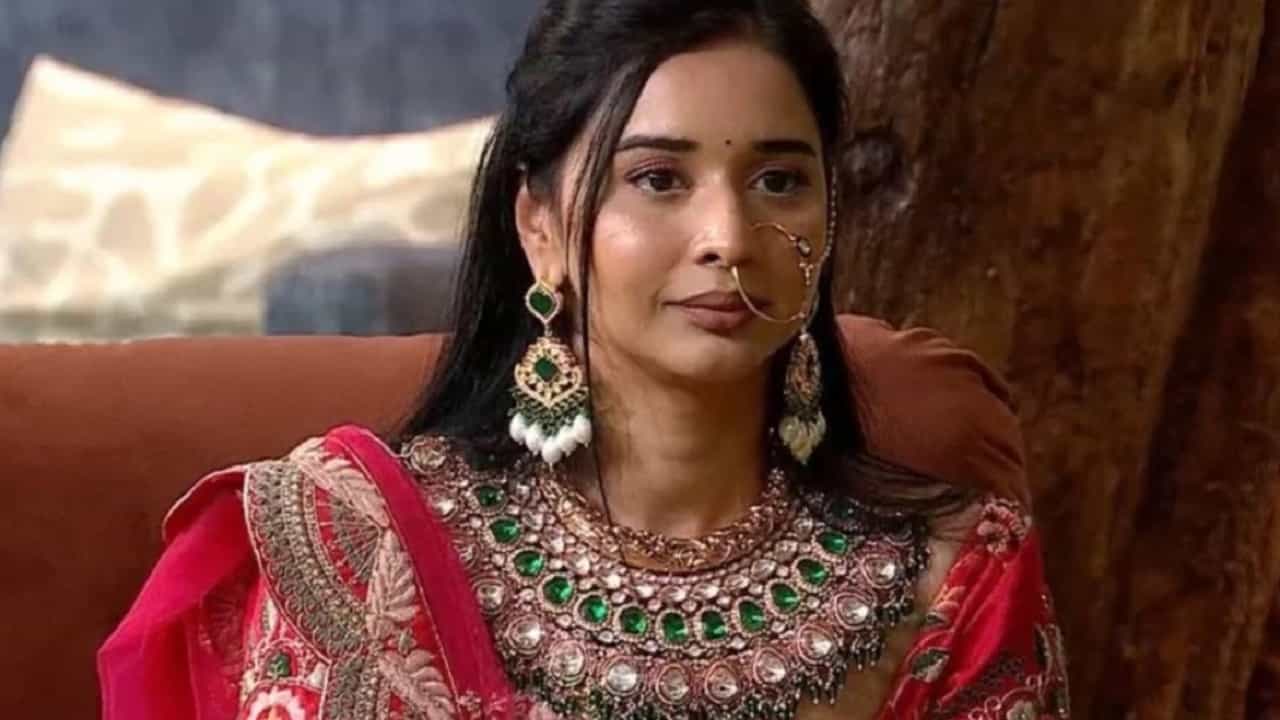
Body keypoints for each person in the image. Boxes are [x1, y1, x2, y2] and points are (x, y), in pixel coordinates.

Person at [98, 1, 1070, 718]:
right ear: (541, 227)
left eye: (778, 180)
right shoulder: (355, 548)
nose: (728, 237)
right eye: (658, 179)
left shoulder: (950, 577)